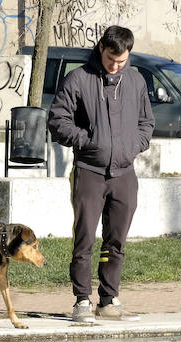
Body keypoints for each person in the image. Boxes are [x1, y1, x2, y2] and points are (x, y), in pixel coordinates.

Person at [48, 25, 155, 324]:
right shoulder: (79, 79)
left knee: (116, 240)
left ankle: (108, 299)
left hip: (124, 173)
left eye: (122, 60)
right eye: (111, 58)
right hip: (89, 171)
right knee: (84, 238)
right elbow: (57, 120)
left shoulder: (136, 81)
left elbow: (147, 123)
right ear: (101, 48)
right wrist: (88, 141)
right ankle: (82, 298)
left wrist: (133, 146)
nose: (116, 65)